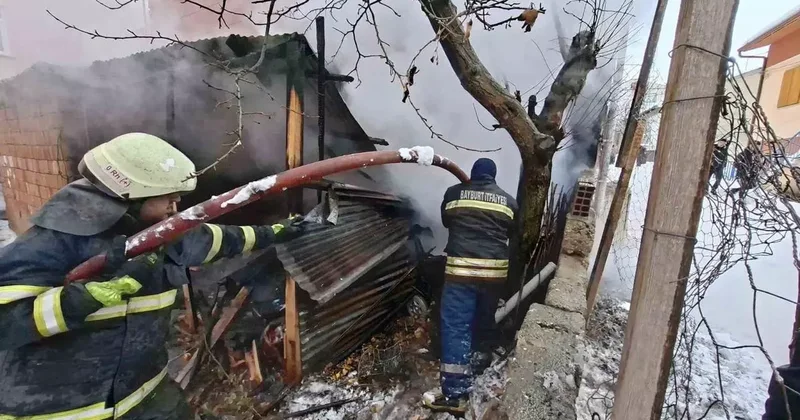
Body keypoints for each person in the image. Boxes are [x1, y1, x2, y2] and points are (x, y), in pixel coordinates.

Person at [0, 133, 302, 419]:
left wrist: (275, 232)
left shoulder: (157, 235)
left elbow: (216, 240)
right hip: (58, 410)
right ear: (131, 195)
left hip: (147, 398)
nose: (175, 205)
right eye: (167, 196)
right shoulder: (49, 244)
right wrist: (81, 299)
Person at [424, 158, 517, 414]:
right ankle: (477, 364)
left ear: (473, 174)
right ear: (493, 177)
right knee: (483, 320)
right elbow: (511, 233)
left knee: (456, 327)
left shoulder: (454, 194)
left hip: (462, 274)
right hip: (495, 276)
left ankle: (455, 395)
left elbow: (446, 220)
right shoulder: (509, 202)